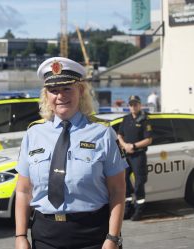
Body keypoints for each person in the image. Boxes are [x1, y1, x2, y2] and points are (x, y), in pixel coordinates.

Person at [15, 57, 128, 249]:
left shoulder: (102, 133)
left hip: (92, 236)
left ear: (81, 90)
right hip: (45, 236)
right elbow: (23, 190)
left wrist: (112, 238)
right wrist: (20, 235)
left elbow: (118, 191)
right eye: (53, 90)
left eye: (67, 88)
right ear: (46, 95)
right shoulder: (33, 134)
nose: (60, 96)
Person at [117, 95, 152, 221]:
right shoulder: (126, 119)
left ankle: (139, 210)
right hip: (127, 155)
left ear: (140, 105)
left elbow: (148, 139)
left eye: (135, 104)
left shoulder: (144, 119)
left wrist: (133, 145)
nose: (133, 106)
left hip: (138, 156)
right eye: (131, 104)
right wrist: (125, 145)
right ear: (129, 106)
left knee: (138, 184)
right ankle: (127, 209)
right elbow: (119, 135)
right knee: (124, 182)